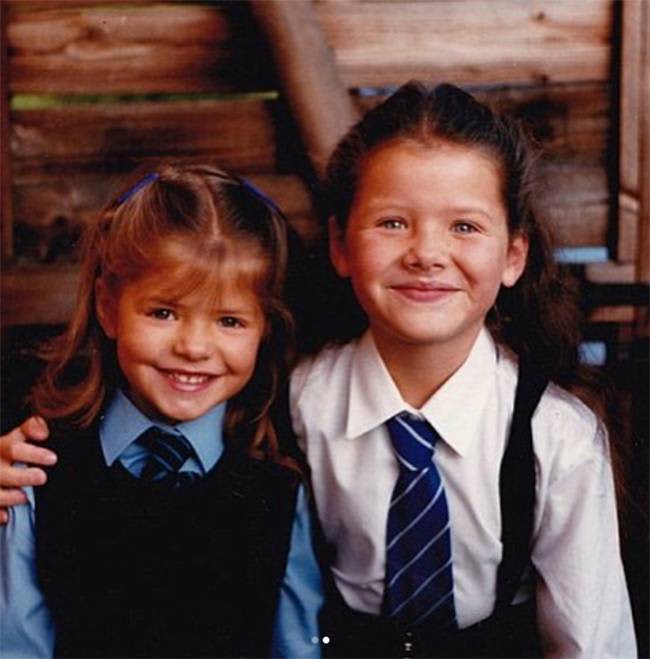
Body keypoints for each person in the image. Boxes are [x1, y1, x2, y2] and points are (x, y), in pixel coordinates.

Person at [0, 82, 638, 658]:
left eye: (465, 226)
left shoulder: (556, 435)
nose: (427, 254)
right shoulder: (290, 401)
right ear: (339, 244)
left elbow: (593, 643)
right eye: (392, 223)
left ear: (514, 255)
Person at [0, 163, 323, 658]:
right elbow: (18, 645)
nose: (194, 347)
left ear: (265, 331)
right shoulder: (39, 472)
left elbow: (297, 647)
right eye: (164, 312)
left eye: (230, 320)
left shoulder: (277, 491)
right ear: (109, 307)